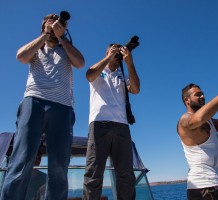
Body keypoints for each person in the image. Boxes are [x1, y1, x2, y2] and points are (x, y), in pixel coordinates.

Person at [0, 13, 85, 200]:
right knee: (22, 160)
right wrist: (45, 35)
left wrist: (62, 38)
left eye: (57, 23)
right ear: (43, 27)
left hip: (63, 107)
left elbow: (80, 63)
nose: (54, 25)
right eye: (50, 22)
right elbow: (21, 56)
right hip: (34, 101)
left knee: (59, 165)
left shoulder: (66, 50)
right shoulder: (36, 48)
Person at [83, 43, 140, 200]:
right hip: (99, 124)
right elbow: (89, 75)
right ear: (107, 51)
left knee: (126, 175)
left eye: (118, 49)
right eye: (113, 49)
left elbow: (135, 89)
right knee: (94, 172)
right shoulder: (100, 70)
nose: (116, 52)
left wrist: (129, 62)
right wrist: (108, 57)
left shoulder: (123, 74)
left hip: (122, 126)